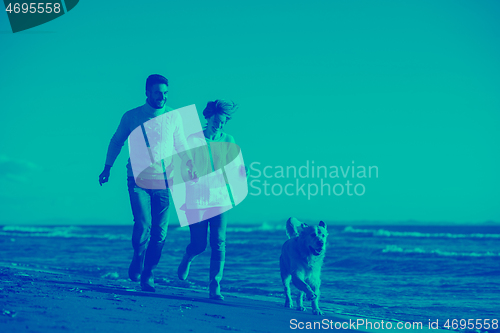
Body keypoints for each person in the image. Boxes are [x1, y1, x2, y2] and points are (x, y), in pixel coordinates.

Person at [99, 74, 196, 292]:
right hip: (137, 179)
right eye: (157, 93)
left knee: (160, 232)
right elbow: (117, 141)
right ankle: (138, 255)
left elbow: (180, 145)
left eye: (165, 93)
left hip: (163, 181)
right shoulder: (132, 116)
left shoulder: (173, 116)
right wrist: (107, 167)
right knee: (143, 225)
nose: (162, 97)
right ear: (147, 93)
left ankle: (149, 271)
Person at [177, 99, 244, 300]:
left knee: (219, 242)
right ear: (208, 117)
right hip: (196, 200)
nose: (220, 125)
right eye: (217, 120)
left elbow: (235, 169)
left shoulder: (229, 140)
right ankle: (188, 257)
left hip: (220, 199)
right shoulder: (192, 140)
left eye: (224, 122)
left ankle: (215, 285)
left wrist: (241, 171)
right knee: (199, 245)